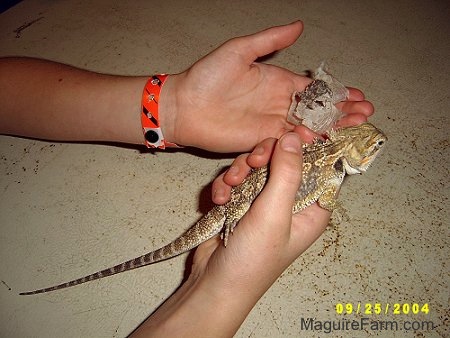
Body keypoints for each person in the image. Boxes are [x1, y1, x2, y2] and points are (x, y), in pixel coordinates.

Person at [0, 21, 373, 336]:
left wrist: (174, 106)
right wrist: (218, 292)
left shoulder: (329, 158)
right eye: (374, 145)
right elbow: (326, 199)